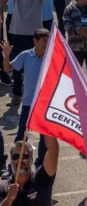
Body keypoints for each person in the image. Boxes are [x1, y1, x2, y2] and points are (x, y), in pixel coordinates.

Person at [1, 29, 50, 168]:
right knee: (22, 136)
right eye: (43, 40)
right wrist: (6, 55)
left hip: (44, 104)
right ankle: (16, 164)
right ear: (35, 41)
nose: (46, 43)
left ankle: (41, 163)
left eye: (48, 39)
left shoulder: (51, 57)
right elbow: (7, 69)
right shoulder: (25, 55)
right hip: (29, 103)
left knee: (45, 137)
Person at [0, 135, 60, 205]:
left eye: (25, 156)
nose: (20, 160)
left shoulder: (42, 178)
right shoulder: (4, 187)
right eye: (15, 156)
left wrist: (46, 126)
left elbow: (53, 151)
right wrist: (9, 199)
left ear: (31, 159)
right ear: (11, 160)